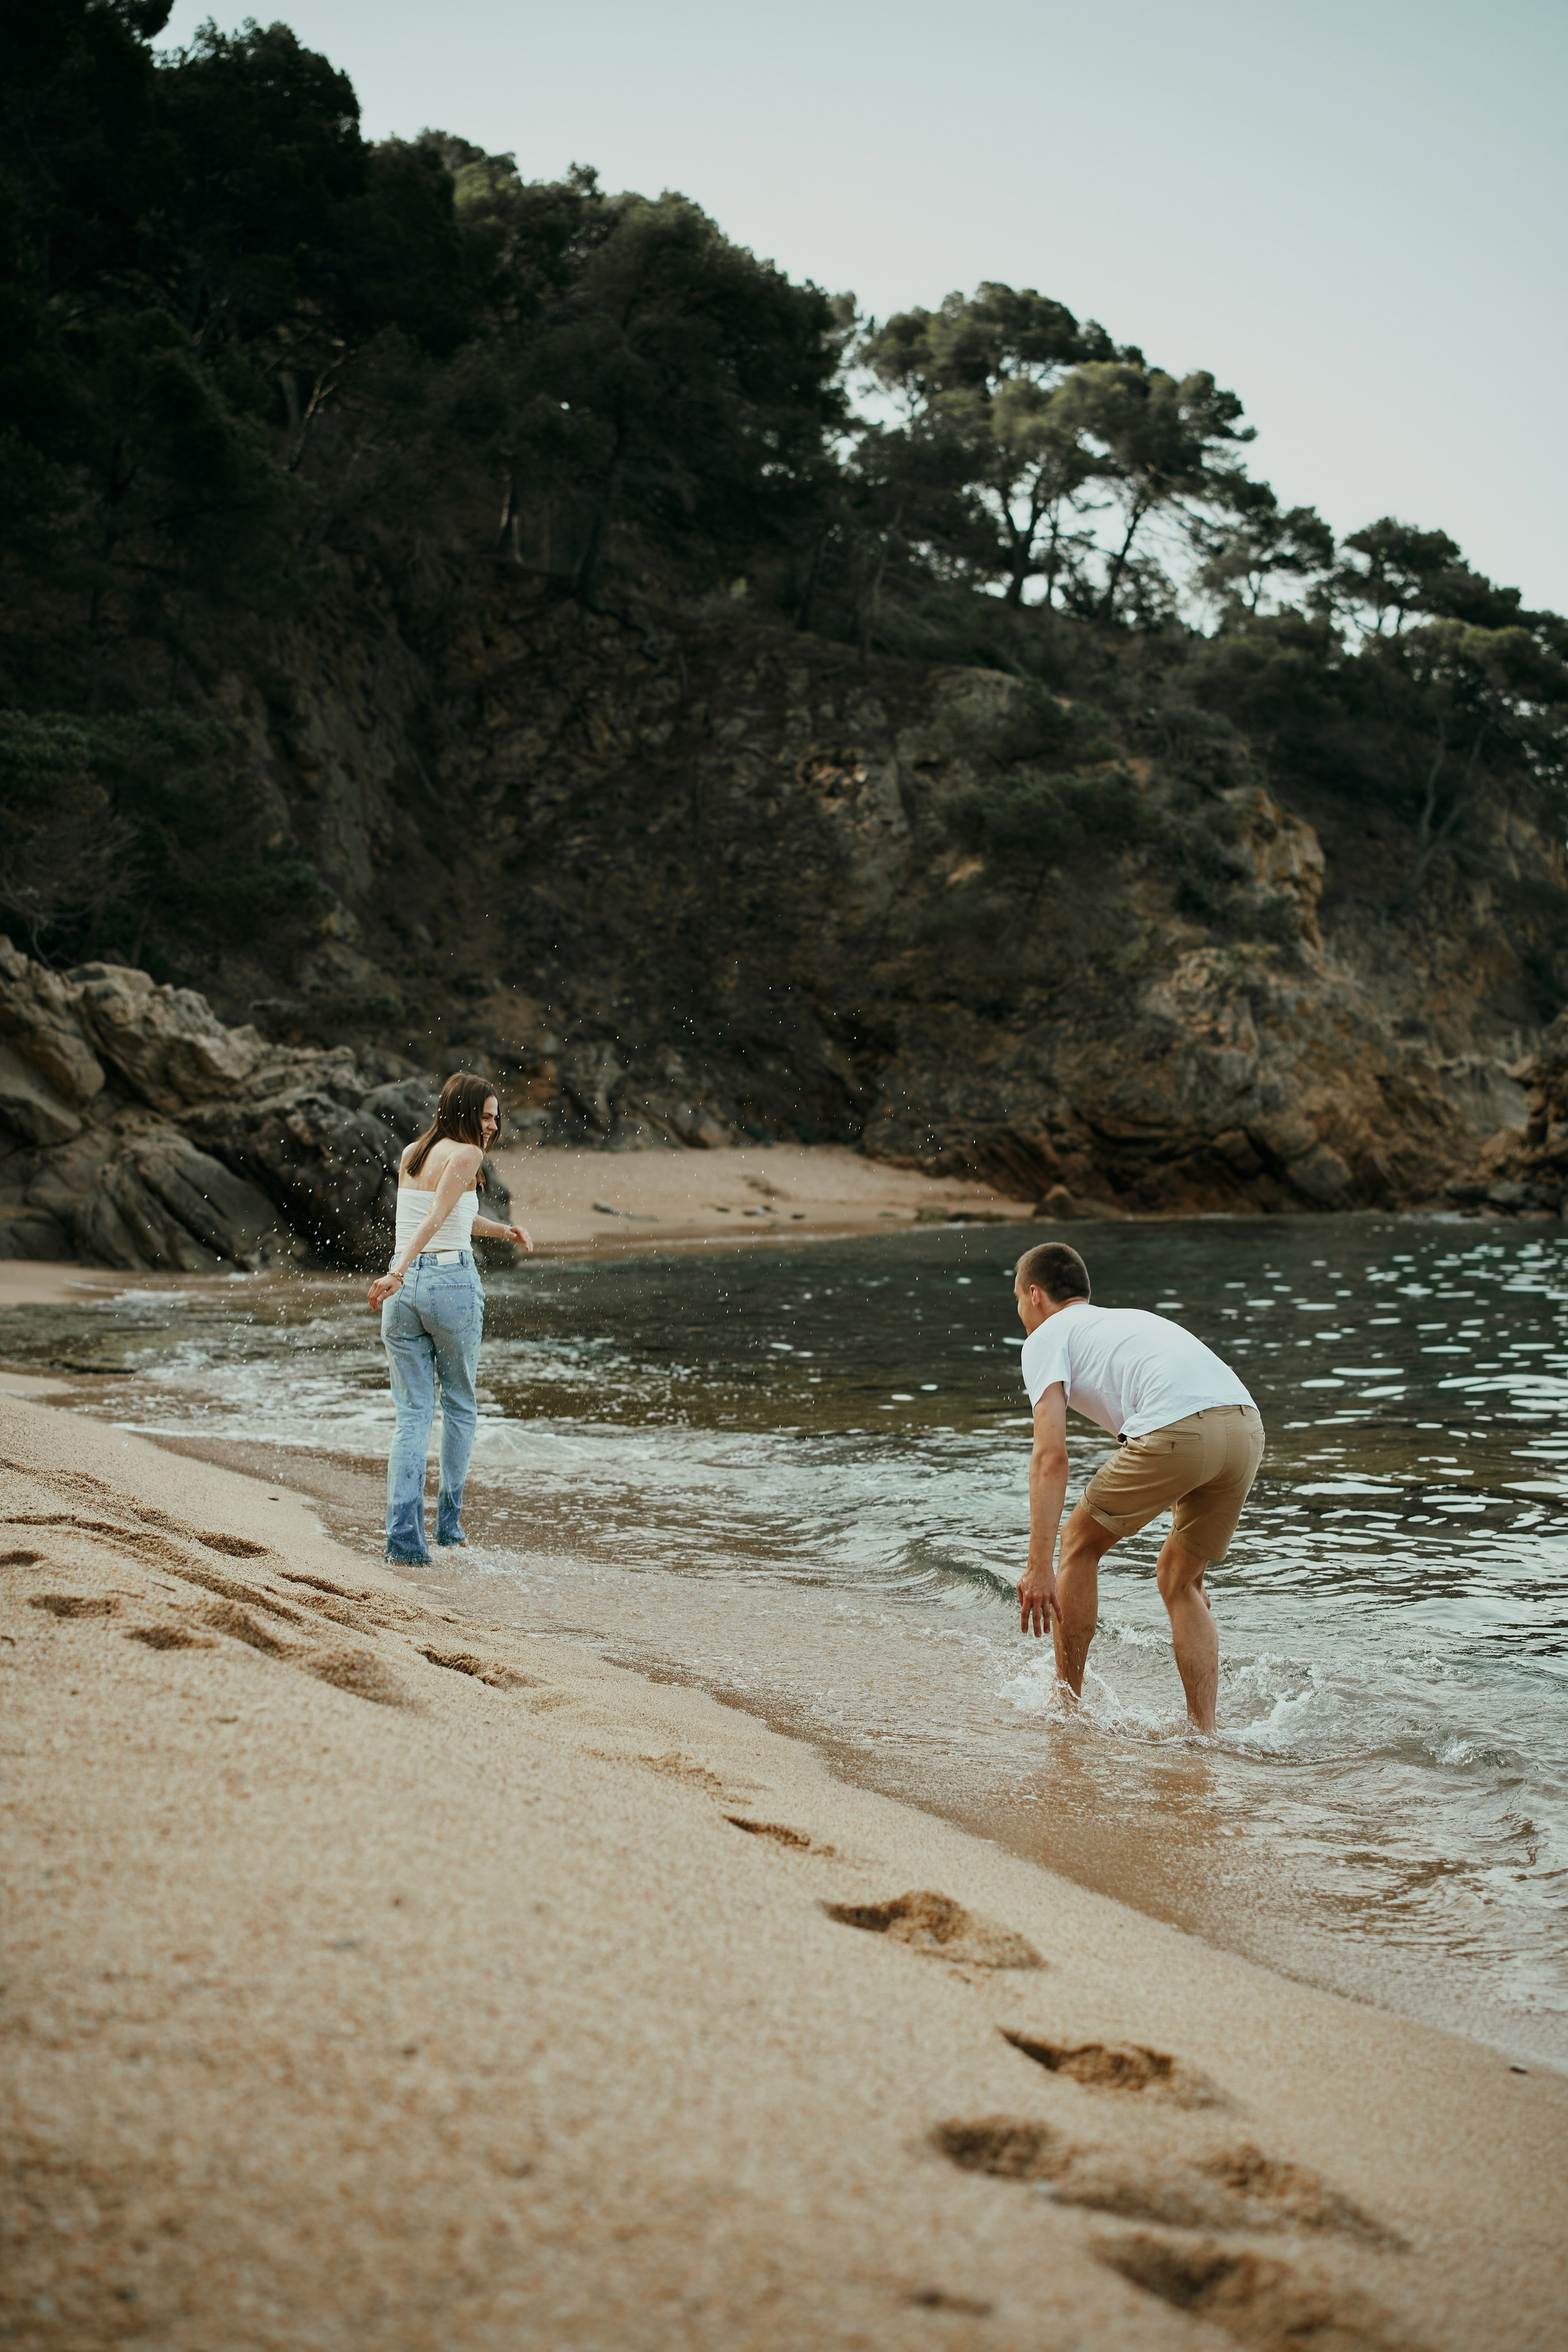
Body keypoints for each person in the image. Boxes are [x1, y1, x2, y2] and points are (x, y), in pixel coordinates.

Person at [1012, 1240, 1262, 1735]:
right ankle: (1204, 1733)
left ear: (1035, 1295)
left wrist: (1039, 1565)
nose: (1020, 1310)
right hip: (1246, 1428)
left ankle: (1066, 1708)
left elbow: (1050, 1456)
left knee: (1078, 1542)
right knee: (1181, 1579)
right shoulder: (1128, 1322)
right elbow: (1184, 1410)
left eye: (1017, 1299)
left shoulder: (1045, 1337)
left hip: (1182, 1430)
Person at [366, 1072, 532, 1563]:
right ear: (463, 1112)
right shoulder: (468, 1155)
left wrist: (504, 1231)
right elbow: (435, 1220)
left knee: (413, 1414)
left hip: (403, 1298)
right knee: (460, 1403)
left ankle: (403, 1543)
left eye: (496, 1118)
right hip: (447, 1283)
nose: (493, 1126)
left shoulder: (413, 1153)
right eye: (487, 1116)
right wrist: (396, 1271)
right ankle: (449, 1527)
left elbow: (448, 1215)